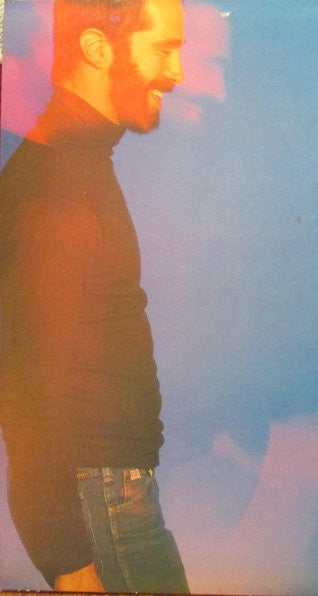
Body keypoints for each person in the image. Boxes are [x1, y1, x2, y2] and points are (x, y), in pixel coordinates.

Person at [0, 0, 190, 591]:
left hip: (109, 494)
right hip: (101, 502)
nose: (177, 73)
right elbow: (27, 383)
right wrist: (67, 557)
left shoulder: (77, 163)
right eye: (164, 49)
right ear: (97, 48)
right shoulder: (58, 185)